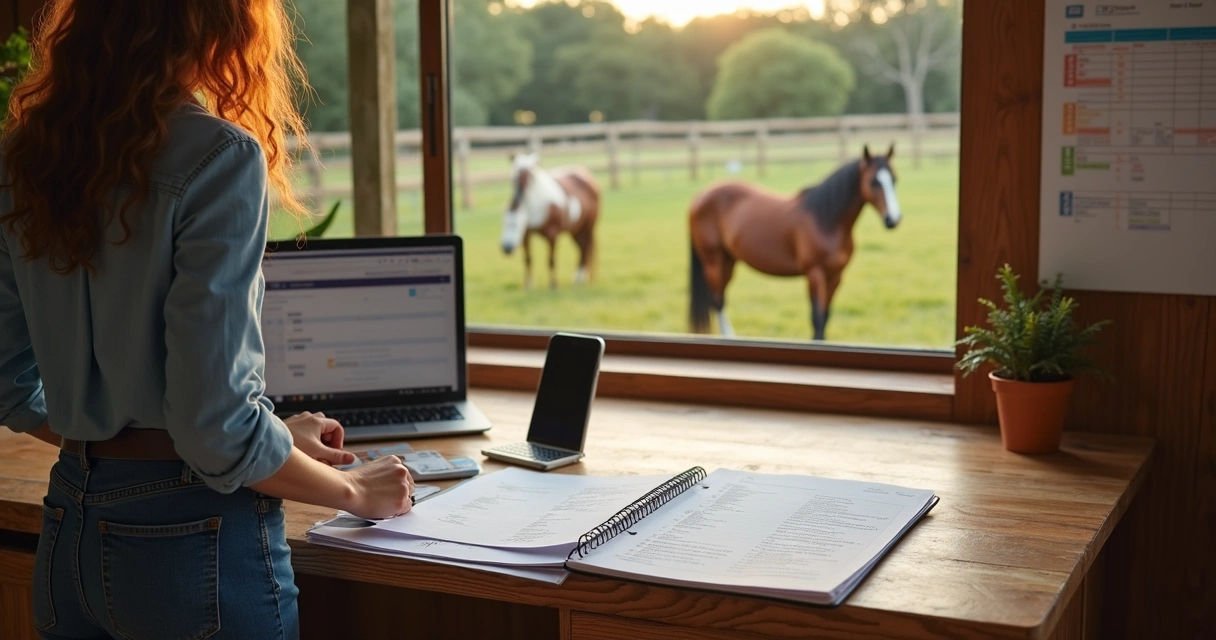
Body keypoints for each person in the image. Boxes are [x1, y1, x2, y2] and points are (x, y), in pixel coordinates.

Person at [0, 2, 414, 638]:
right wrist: (357, 490)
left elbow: (12, 384)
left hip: (70, 529)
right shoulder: (217, 155)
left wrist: (265, 437)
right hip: (192, 543)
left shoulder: (24, 159)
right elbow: (212, 430)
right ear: (218, 24)